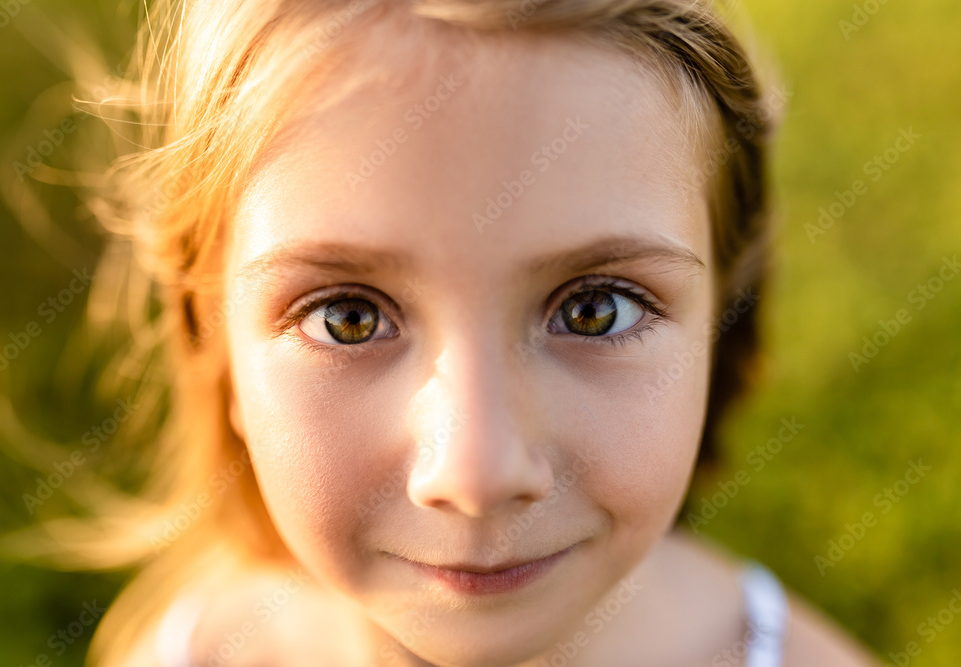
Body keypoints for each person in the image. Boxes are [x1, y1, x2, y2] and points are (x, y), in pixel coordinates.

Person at [51, 0, 881, 664]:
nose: (476, 472)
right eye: (350, 317)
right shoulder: (194, 647)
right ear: (214, 342)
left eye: (596, 309)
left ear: (719, 320)